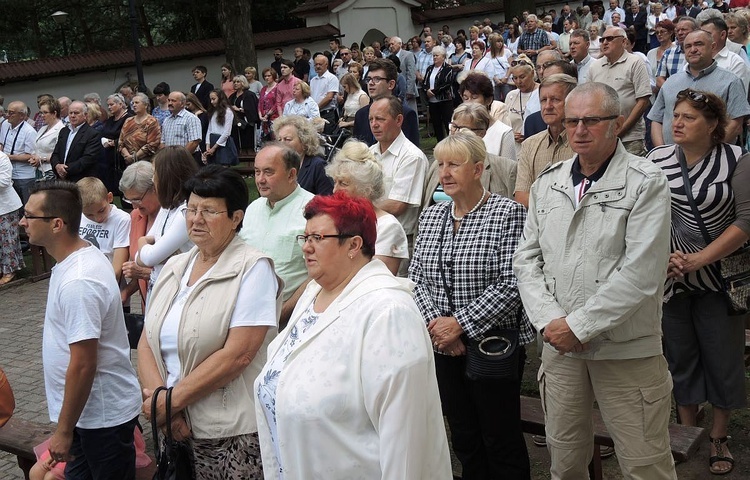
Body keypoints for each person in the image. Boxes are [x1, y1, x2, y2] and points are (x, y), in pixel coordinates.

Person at [513, 82, 677, 479]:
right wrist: (551, 322)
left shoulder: (645, 182)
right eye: (572, 121)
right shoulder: (547, 183)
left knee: (645, 462)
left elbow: (642, 274)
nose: (579, 130)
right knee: (565, 459)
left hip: (625, 351)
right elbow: (526, 260)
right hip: (560, 351)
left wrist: (579, 325)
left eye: (591, 120)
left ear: (617, 124)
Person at [255, 192, 452, 479]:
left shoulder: (388, 313)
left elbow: (407, 443)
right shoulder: (314, 292)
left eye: (318, 239)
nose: (306, 248)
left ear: (354, 245)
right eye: (305, 238)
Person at [138, 165, 281, 478]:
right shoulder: (176, 264)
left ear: (236, 218)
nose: (196, 219)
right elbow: (147, 341)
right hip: (171, 422)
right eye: (191, 209)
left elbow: (237, 355)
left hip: (227, 430)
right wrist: (164, 408)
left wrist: (169, 402)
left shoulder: (253, 269)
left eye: (209, 210)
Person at [410, 132, 533, 479]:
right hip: (443, 345)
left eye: (454, 164)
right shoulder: (433, 217)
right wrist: (440, 327)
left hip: (494, 345)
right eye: (440, 164)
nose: (444, 172)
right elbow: (417, 278)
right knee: (463, 434)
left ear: (478, 168)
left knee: (500, 436)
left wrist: (459, 324)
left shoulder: (507, 214)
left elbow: (512, 282)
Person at [647, 89, 749, 476]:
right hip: (671, 277)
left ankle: (719, 436)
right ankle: (686, 429)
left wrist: (698, 259)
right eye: (675, 115)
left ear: (713, 125)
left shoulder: (737, 160)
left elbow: (746, 221)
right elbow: (641, 213)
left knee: (722, 358)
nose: (677, 123)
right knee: (680, 355)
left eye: (689, 117)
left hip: (719, 278)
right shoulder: (655, 159)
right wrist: (665, 259)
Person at [20, 181, 142, 479]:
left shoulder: (79, 281)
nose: (22, 222)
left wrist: (63, 431)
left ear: (57, 224)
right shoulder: (79, 258)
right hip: (88, 416)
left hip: (100, 418)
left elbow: (84, 362)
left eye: (29, 216)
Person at [239, 143, 314, 328]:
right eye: (257, 172)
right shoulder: (253, 209)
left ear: (291, 174)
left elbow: (319, 275)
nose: (260, 180)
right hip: (243, 316)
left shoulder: (313, 211)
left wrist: (284, 313)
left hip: (288, 320)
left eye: (268, 172)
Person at [649, 29, 750, 146]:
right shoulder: (671, 82)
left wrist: (706, 154)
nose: (693, 50)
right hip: (671, 158)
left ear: (713, 47)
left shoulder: (731, 81)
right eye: (688, 46)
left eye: (699, 44)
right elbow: (656, 119)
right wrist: (663, 152)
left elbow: (735, 125)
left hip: (714, 159)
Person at [325, 140, 408, 274]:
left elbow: (378, 279)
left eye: (343, 183)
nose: (335, 191)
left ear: (365, 188)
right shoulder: (335, 221)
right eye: (335, 182)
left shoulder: (387, 227)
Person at [369, 96, 428, 273]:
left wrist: (357, 205)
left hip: (398, 242)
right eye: (371, 119)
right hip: (370, 236)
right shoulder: (369, 153)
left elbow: (397, 205)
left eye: (380, 119)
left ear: (399, 120)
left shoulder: (411, 156)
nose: (374, 124)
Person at [423, 103, 517, 210]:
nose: (457, 133)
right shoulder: (438, 164)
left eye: (464, 129)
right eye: (454, 127)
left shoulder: (506, 168)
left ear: (482, 133)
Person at [136, 147, 197, 295]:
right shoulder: (166, 208)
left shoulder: (185, 213)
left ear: (167, 176)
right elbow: (139, 258)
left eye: (155, 174)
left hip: (176, 290)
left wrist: (141, 242)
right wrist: (148, 247)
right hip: (158, 287)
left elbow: (150, 257)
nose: (153, 180)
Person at [514, 74, 577, 208]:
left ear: (572, 102)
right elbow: (521, 197)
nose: (547, 106)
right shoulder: (530, 145)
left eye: (555, 99)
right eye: (543, 100)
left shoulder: (583, 143)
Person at [588, 26, 651, 156]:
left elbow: (643, 101)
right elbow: (589, 101)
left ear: (623, 42)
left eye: (610, 39)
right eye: (602, 39)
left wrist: (620, 130)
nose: (604, 42)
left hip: (630, 138)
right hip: (602, 138)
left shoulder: (635, 62)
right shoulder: (594, 66)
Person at [352, 58, 421, 147]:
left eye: (377, 79)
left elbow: (412, 149)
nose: (371, 83)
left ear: (391, 84)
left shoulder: (406, 114)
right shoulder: (361, 114)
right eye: (368, 79)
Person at [119, 161, 159, 312]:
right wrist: (126, 292)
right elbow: (137, 270)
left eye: (137, 199)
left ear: (154, 189)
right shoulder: (136, 216)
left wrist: (144, 273)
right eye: (129, 200)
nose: (134, 205)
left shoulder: (174, 218)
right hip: (147, 305)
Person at [76, 177, 131, 283]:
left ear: (109, 197)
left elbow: (117, 268)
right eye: (89, 215)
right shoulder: (78, 217)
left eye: (101, 210)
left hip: (108, 282)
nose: (98, 218)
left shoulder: (121, 219)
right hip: (81, 279)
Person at [458, 71, 516, 160]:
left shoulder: (504, 133)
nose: (469, 103)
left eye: (474, 98)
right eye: (465, 98)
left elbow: (508, 169)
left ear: (488, 100)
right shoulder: (457, 127)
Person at [273, 115, 333, 195]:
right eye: (279, 139)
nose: (282, 144)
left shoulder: (318, 166)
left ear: (304, 141)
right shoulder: (278, 165)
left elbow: (327, 200)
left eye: (287, 139)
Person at [50, 101, 103, 183]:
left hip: (81, 179)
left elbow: (88, 159)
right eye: (70, 113)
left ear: (85, 115)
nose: (72, 116)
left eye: (76, 113)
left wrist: (65, 169)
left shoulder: (92, 134)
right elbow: (56, 153)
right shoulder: (64, 131)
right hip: (61, 180)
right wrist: (57, 166)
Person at [0, 101, 37, 203]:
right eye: (7, 112)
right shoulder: (5, 125)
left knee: (26, 207)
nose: (7, 115)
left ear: (21, 115)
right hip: (7, 173)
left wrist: (7, 157)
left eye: (11, 113)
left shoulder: (30, 131)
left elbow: (31, 156)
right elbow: (2, 144)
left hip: (24, 176)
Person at [504, 60, 538, 155]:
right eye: (515, 78)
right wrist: (511, 134)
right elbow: (505, 123)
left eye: (522, 77)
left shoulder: (541, 93)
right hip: (514, 149)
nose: (519, 81)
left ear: (532, 74)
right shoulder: (511, 95)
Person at [161, 92, 203, 166]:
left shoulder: (191, 118)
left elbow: (194, 142)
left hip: (188, 159)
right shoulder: (166, 120)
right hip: (170, 160)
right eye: (169, 100)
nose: (170, 103)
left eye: (173, 101)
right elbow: (163, 142)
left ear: (182, 104)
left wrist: (180, 159)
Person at [118, 92, 161, 165]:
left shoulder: (152, 121)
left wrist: (134, 157)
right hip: (128, 162)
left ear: (146, 105)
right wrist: (127, 156)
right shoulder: (128, 121)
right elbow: (121, 142)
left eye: (137, 102)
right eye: (133, 103)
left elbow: (152, 144)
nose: (134, 105)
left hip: (146, 162)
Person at [0, 150, 23, 285]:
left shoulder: (2, 158)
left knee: (7, 239)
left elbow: (4, 182)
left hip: (6, 207)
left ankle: (10, 270)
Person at [31, 98, 64, 181]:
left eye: (45, 112)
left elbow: (59, 153)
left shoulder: (61, 129)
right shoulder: (43, 128)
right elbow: (37, 147)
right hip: (39, 170)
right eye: (41, 113)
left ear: (54, 113)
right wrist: (34, 156)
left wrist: (41, 159)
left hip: (51, 171)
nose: (42, 115)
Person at [229, 75, 260, 154]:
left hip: (247, 123)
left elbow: (252, 109)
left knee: (248, 144)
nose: (235, 84)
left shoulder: (249, 95)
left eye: (238, 82)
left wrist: (239, 109)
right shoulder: (232, 96)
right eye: (234, 82)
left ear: (243, 83)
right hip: (236, 123)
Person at [203, 90, 235, 165]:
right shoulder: (213, 112)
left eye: (214, 99)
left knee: (222, 166)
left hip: (222, 143)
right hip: (212, 141)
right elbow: (209, 129)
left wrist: (214, 148)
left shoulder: (228, 112)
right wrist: (208, 145)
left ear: (220, 99)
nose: (211, 102)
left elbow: (226, 132)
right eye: (210, 99)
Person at [310, 54, 341, 134]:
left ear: (326, 65)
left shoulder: (332, 78)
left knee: (327, 138)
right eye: (316, 64)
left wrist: (315, 108)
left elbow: (329, 97)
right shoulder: (313, 80)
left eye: (320, 64)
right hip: (315, 115)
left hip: (327, 114)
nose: (317, 66)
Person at [258, 67, 280, 142]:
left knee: (275, 139)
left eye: (269, 75)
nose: (267, 78)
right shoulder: (263, 89)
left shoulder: (278, 87)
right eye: (265, 76)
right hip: (264, 119)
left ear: (273, 76)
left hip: (274, 117)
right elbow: (260, 103)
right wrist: (260, 115)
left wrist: (268, 114)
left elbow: (277, 103)